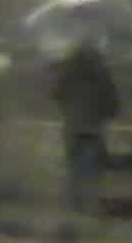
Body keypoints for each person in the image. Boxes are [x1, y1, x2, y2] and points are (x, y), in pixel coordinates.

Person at [50, 45, 121, 210]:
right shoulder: (102, 76)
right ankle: (90, 203)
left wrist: (68, 107)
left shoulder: (68, 75)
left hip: (73, 127)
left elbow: (56, 95)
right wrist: (106, 112)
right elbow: (112, 103)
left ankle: (74, 202)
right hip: (93, 128)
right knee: (92, 168)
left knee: (74, 166)